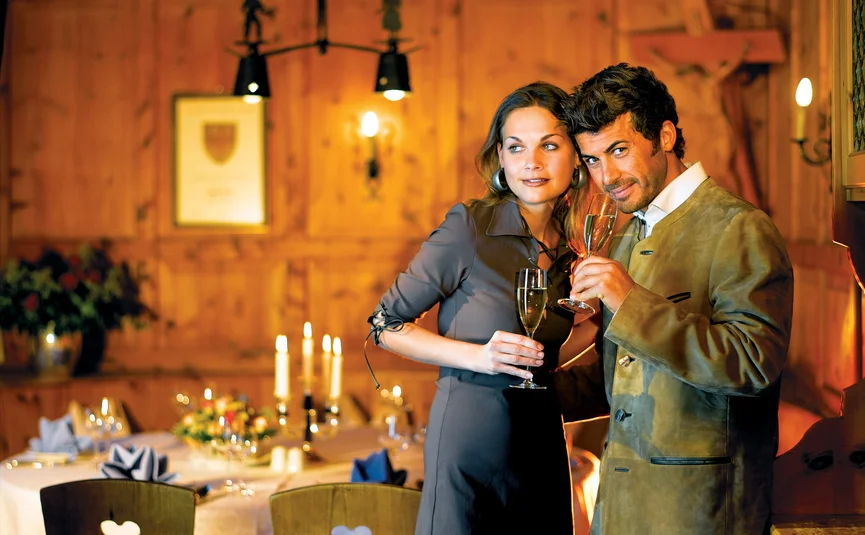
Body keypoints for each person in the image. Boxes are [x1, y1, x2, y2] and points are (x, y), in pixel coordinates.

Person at [554, 63, 794, 535]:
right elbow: (622, 376)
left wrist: (629, 301)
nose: (607, 176)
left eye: (619, 150)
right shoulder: (627, 233)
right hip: (619, 508)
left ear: (664, 136)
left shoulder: (739, 226)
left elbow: (752, 365)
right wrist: (510, 392)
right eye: (593, 160)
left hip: (700, 513)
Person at [367, 81, 588, 534]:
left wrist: (604, 318)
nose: (533, 162)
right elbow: (384, 324)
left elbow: (545, 354)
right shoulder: (470, 226)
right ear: (500, 159)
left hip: (543, 441)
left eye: (549, 144)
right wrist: (478, 356)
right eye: (516, 147)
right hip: (470, 444)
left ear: (576, 155)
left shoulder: (573, 250)